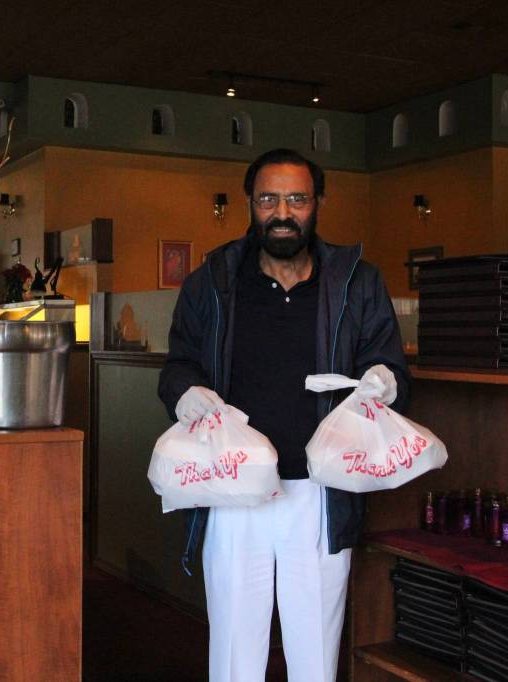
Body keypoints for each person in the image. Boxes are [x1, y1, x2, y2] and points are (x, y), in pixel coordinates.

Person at [157, 148, 409, 682]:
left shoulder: (356, 282)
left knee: (315, 653)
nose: (282, 212)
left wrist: (384, 382)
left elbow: (390, 366)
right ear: (251, 204)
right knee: (234, 652)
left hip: (321, 492)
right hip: (233, 486)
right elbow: (178, 363)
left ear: (318, 204)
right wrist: (185, 393)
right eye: (268, 199)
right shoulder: (214, 280)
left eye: (297, 199)